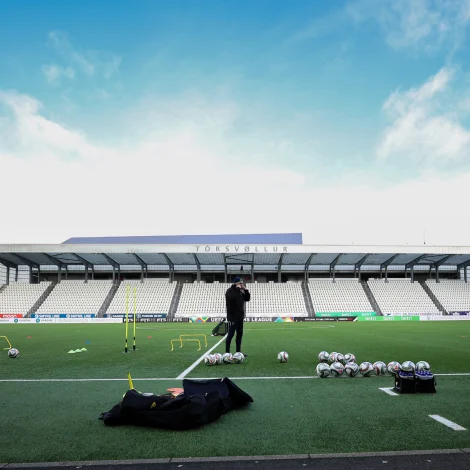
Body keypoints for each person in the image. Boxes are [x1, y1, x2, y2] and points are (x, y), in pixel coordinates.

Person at [225, 277, 250, 357]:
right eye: (240, 283)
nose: (241, 285)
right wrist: (237, 289)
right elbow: (233, 298)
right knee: (231, 334)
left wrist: (245, 290)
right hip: (232, 317)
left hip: (240, 317)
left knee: (239, 334)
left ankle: (238, 352)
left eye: (242, 283)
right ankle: (227, 352)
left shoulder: (240, 292)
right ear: (236, 283)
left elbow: (247, 298)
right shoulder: (230, 291)